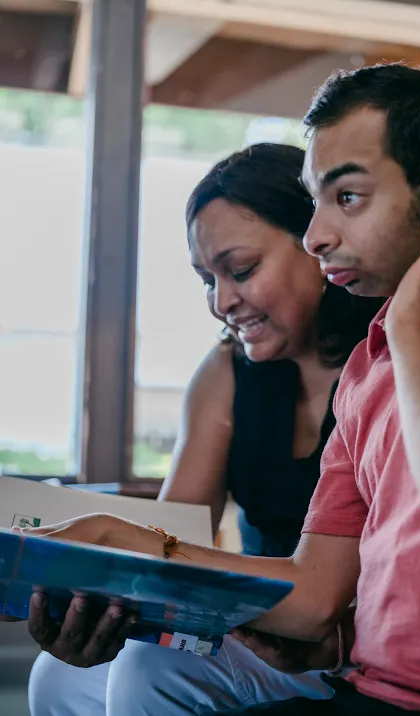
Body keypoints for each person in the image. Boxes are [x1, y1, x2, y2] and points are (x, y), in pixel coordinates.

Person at [15, 62, 420, 714]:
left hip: (412, 685)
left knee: (148, 674)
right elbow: (316, 593)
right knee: (80, 676)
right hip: (354, 674)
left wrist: (413, 333)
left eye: (345, 199)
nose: (319, 236)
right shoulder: (367, 364)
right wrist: (118, 544)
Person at [26, 142, 381, 716]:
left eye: (240, 271)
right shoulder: (226, 372)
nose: (221, 302)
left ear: (316, 240)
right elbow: (174, 535)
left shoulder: (384, 363)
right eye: (206, 280)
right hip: (256, 633)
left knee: (154, 666)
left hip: (340, 637)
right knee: (58, 678)